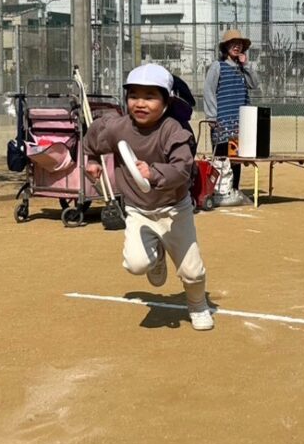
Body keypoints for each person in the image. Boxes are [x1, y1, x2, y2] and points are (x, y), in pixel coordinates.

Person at [83, 64, 213, 331]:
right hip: (138, 211)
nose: (140, 103)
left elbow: (182, 169)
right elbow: (93, 137)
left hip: (175, 210)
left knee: (192, 271)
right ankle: (157, 258)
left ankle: (198, 306)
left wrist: (152, 173)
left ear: (166, 101)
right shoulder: (117, 127)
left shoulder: (174, 131)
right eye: (134, 96)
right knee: (136, 263)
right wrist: (93, 159)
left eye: (150, 96)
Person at [203, 29, 258, 199]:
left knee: (236, 160)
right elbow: (209, 91)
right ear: (226, 46)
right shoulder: (217, 66)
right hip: (221, 122)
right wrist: (212, 116)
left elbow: (254, 84)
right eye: (233, 43)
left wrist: (247, 65)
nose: (236, 46)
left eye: (239, 44)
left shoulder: (243, 68)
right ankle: (218, 191)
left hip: (239, 123)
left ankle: (233, 190)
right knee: (221, 159)